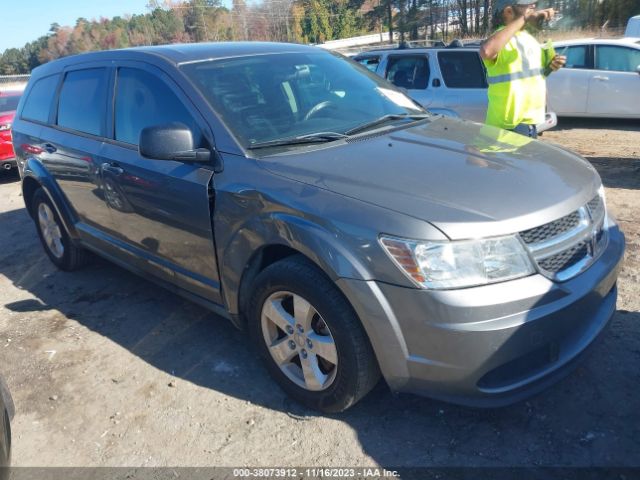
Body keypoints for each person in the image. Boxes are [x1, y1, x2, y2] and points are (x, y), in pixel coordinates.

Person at [479, 0, 566, 138]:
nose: (533, 7)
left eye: (533, 4)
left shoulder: (528, 39)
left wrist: (551, 67)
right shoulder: (502, 38)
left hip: (531, 125)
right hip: (507, 129)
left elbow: (535, 76)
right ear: (508, 12)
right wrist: (524, 18)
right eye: (526, 5)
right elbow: (487, 51)